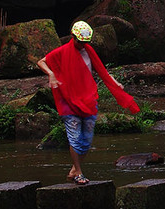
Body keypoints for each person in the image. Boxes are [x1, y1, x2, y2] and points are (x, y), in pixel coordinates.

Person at [36, 21, 139, 185]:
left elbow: (101, 70)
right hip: (68, 99)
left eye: (85, 42)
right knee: (75, 137)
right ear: (73, 37)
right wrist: (51, 74)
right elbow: (41, 62)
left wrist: (113, 82)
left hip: (87, 98)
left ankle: (74, 168)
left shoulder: (88, 51)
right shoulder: (62, 51)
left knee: (87, 140)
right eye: (80, 42)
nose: (83, 45)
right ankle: (78, 172)